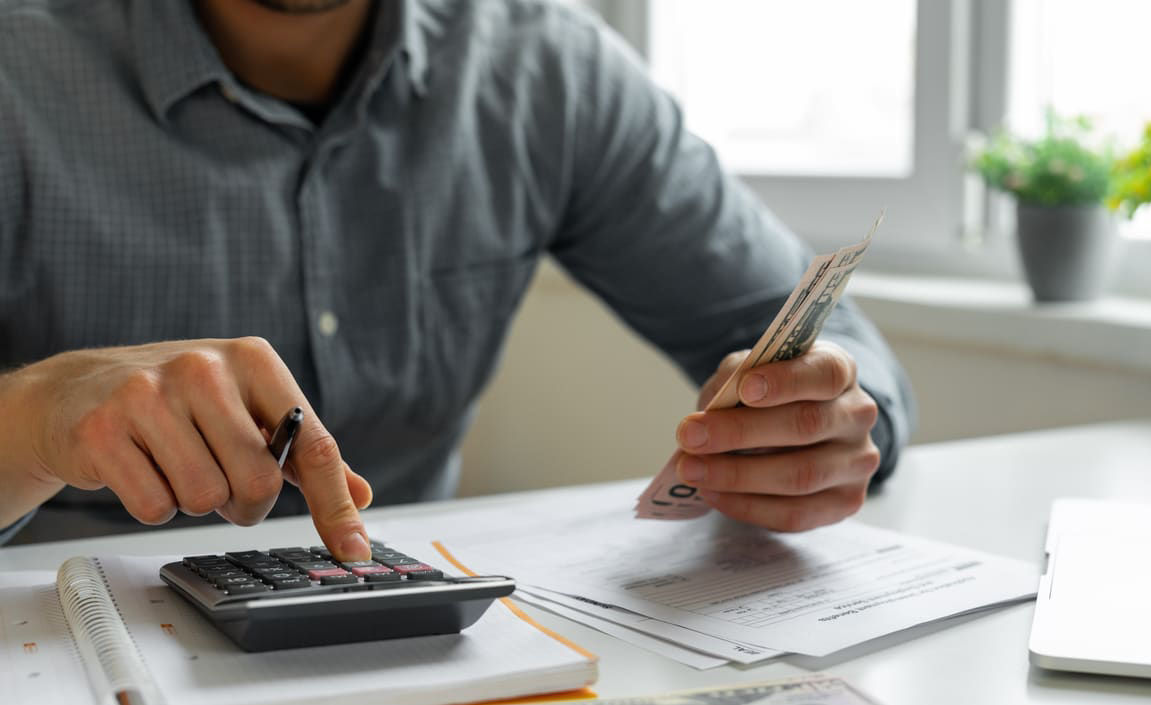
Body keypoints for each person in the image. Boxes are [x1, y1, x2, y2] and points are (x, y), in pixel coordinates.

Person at [0, 0, 915, 560]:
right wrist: (30, 418)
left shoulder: (546, 70)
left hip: (424, 646)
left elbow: (842, 351)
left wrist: (819, 418)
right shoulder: (18, 71)